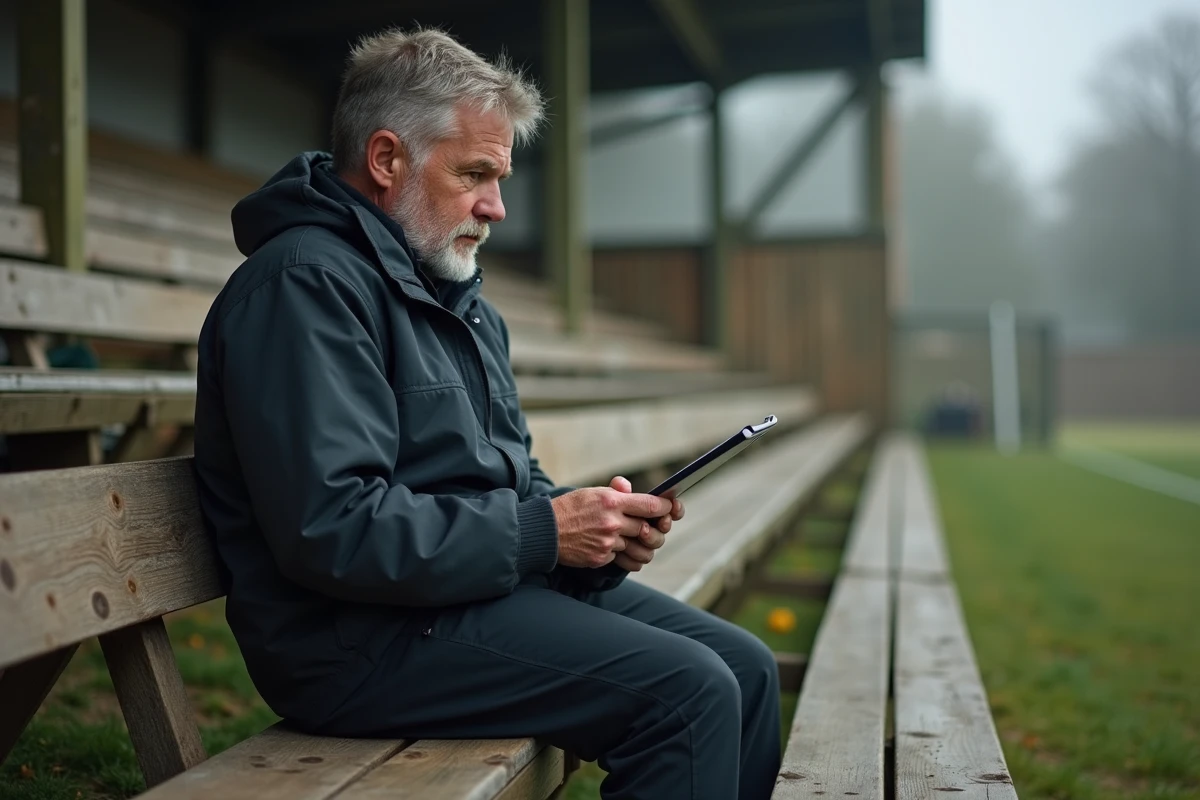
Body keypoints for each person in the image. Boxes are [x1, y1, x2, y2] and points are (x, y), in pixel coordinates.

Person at [193, 28, 780, 800]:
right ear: (386, 159)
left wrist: (598, 533)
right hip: (355, 642)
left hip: (461, 598)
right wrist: (546, 532)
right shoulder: (303, 287)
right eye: (474, 174)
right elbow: (333, 529)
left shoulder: (459, 299)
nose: (497, 207)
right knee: (689, 693)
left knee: (749, 669)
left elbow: (508, 474)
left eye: (500, 178)